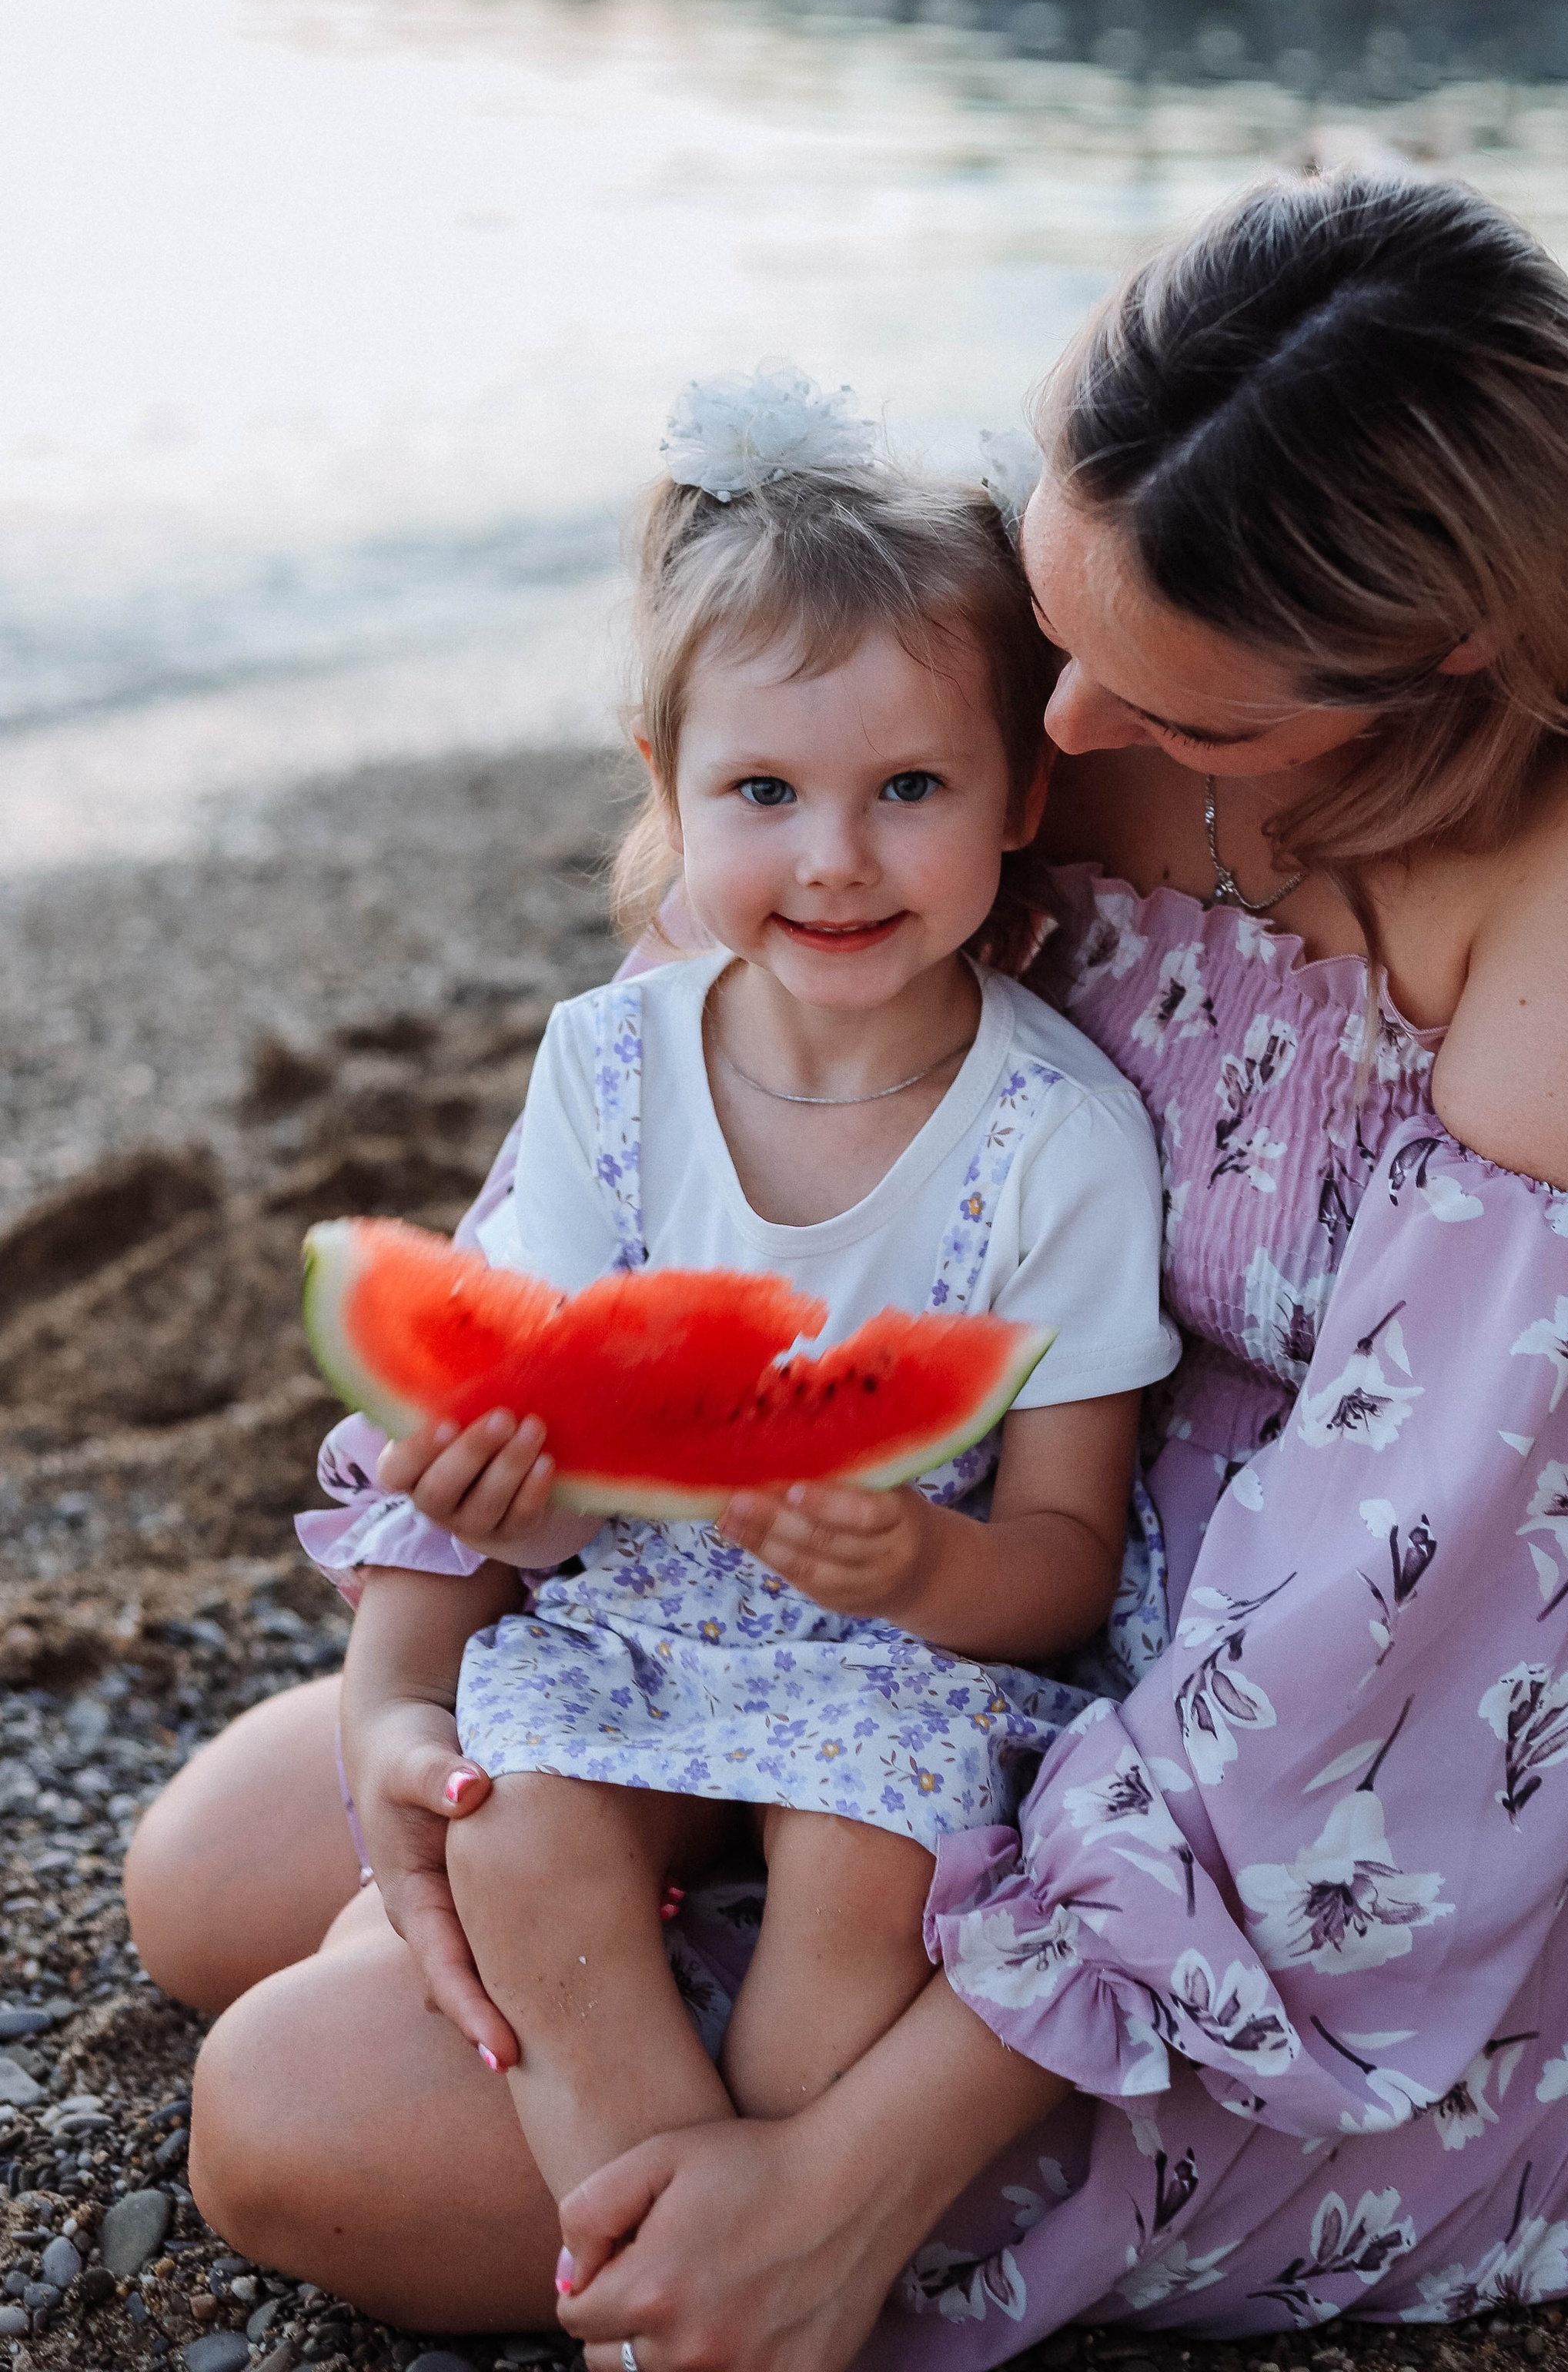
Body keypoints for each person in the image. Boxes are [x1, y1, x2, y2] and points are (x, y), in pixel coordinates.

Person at [129, 172, 1568, 2364]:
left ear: (1431, 670)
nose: (1064, 745)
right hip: (857, 1608)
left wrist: (838, 2193)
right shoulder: (1113, 611)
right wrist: (455, 1603)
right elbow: (699, 1071)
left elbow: (1375, 1675)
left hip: (1335, 1831)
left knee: (282, 2121)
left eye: (1179, 716)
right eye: (1060, 628)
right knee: (206, 1870)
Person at [291, 378, 1179, 2213]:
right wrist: (503, 1501)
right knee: (519, 1841)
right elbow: (532, 1430)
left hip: (897, 1675)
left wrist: (919, 1569)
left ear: (1022, 792)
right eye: (763, 792)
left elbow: (1067, 1554)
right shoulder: (603, 1069)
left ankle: (761, 2229)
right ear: (666, 789)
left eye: (907, 788)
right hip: (623, 1635)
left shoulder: (1061, 1138)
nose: (835, 856)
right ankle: (671, 2276)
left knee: (866, 1863)